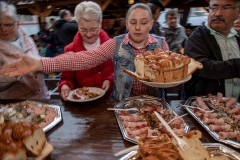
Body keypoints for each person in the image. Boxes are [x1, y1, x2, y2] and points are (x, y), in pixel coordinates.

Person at [0, 3, 169, 101]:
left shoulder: (162, 45)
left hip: (155, 102)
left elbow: (171, 76)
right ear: (126, 23)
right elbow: (83, 59)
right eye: (133, 22)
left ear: (151, 23)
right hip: (124, 105)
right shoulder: (116, 44)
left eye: (143, 22)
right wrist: (39, 63)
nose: (138, 27)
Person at [183, 0, 240, 100]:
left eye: (226, 7)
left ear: (237, 13)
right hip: (204, 110)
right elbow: (201, 67)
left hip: (234, 109)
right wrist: (237, 66)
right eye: (214, 7)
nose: (218, 13)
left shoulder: (237, 38)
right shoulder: (198, 36)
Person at [58, 1, 114, 101]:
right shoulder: (69, 50)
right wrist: (65, 86)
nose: (88, 35)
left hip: (109, 102)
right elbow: (67, 78)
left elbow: (121, 72)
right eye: (83, 29)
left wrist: (110, 79)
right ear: (77, 25)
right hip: (83, 106)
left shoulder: (113, 46)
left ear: (100, 23)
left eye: (93, 29)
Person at [0, 1, 49, 99]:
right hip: (16, 105)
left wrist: (43, 64)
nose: (3, 29)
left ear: (17, 23)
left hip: (41, 97)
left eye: (8, 25)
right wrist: (14, 74)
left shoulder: (27, 39)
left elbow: (36, 60)